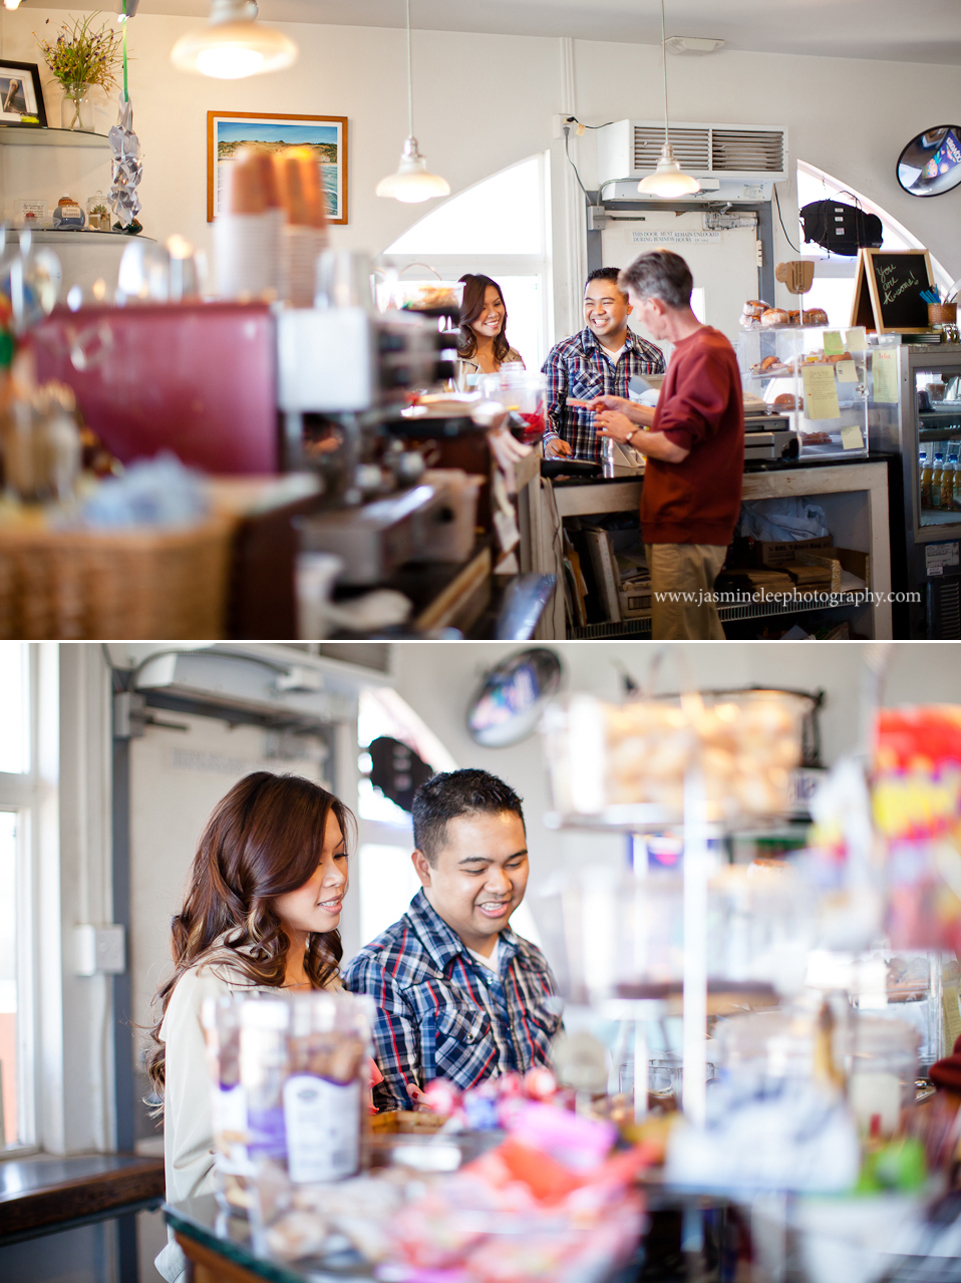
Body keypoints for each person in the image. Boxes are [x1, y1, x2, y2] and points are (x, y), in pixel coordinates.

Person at [147, 772, 356, 1283]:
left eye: (340, 854)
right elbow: (198, 1176)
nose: (336, 877)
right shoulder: (212, 984)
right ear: (261, 865)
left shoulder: (325, 977)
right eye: (313, 860)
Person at [343, 768, 560, 1111]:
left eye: (515, 862)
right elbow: (395, 1131)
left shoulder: (531, 961)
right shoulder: (382, 974)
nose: (501, 885)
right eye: (476, 870)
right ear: (424, 868)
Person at [589, 250, 744, 640]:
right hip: (685, 520)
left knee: (681, 643)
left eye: (637, 305)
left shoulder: (702, 354)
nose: (637, 314)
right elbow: (687, 425)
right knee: (701, 635)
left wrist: (627, 431)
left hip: (687, 520)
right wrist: (634, 411)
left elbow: (675, 448)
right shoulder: (697, 347)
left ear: (655, 305)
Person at [541, 266, 665, 462]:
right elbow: (544, 411)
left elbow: (658, 417)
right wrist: (550, 439)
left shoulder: (651, 357)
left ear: (629, 306)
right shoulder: (564, 354)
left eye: (606, 302)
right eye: (589, 303)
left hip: (637, 473)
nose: (597, 311)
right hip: (580, 476)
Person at [455, 274, 525, 389]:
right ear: (465, 313)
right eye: (482, 308)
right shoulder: (451, 361)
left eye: (497, 304)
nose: (493, 313)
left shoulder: (513, 356)